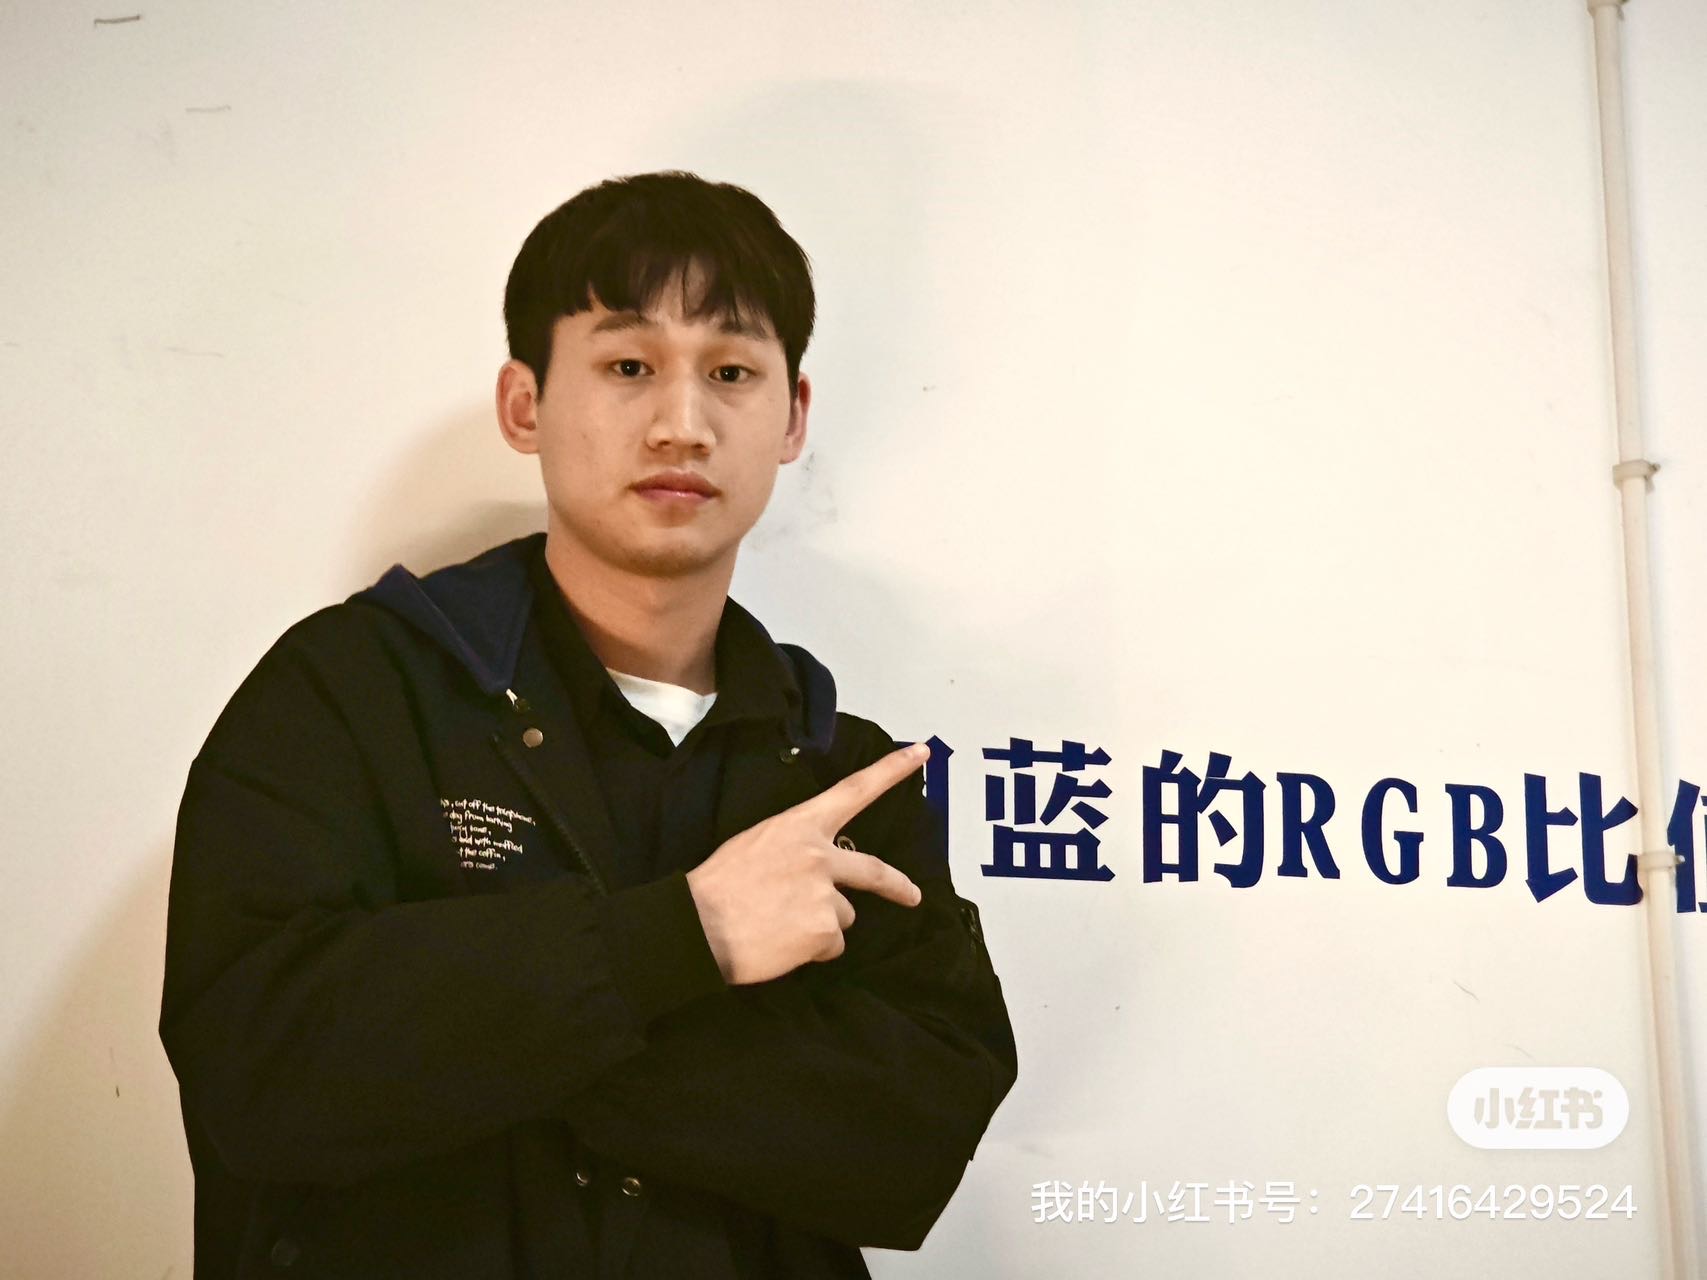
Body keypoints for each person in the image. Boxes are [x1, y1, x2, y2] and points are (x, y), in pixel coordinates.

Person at [158, 169, 1018, 1279]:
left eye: (731, 372)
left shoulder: (845, 776)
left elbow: (912, 1147)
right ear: (524, 404)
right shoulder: (350, 692)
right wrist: (684, 939)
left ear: (793, 416)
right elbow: (257, 1068)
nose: (681, 424)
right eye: (627, 367)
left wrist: (492, 1036)